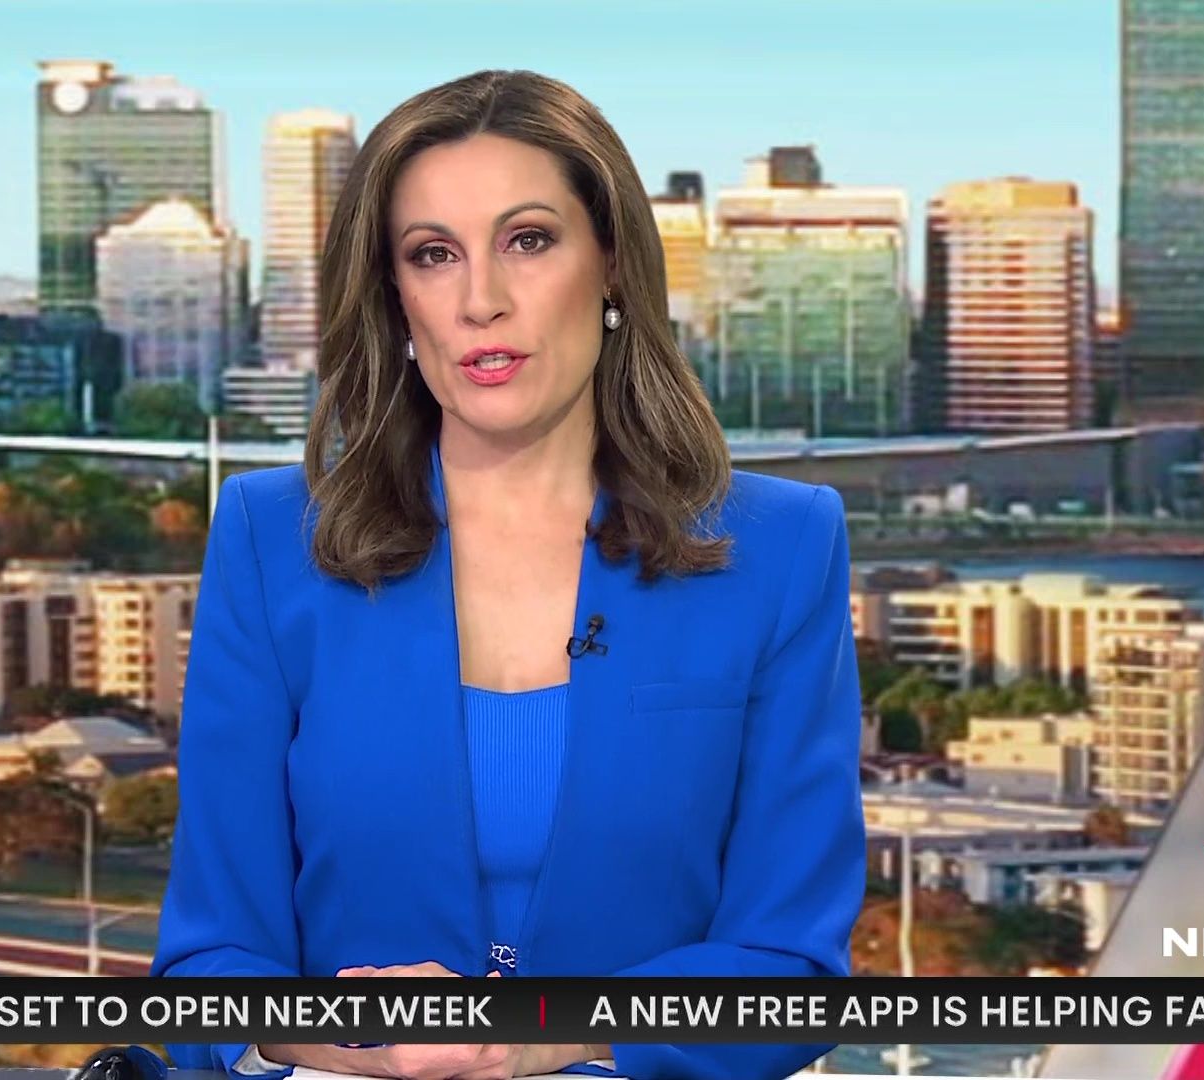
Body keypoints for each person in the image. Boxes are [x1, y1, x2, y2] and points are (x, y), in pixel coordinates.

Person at [153, 68, 865, 1080]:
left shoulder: (781, 546)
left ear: (611, 263)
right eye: (432, 254)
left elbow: (790, 971)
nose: (481, 300)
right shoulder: (271, 540)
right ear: (395, 297)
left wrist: (540, 1033)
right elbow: (206, 970)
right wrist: (363, 1039)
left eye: (528, 240)